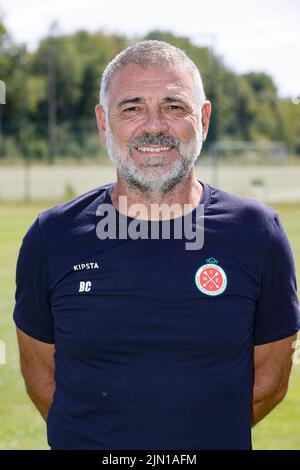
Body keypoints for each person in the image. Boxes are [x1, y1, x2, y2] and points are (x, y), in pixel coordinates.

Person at [13, 40, 300, 450]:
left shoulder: (258, 233)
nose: (154, 126)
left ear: (203, 119)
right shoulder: (50, 237)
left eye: (174, 106)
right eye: (131, 108)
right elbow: (41, 376)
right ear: (103, 123)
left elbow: (268, 384)